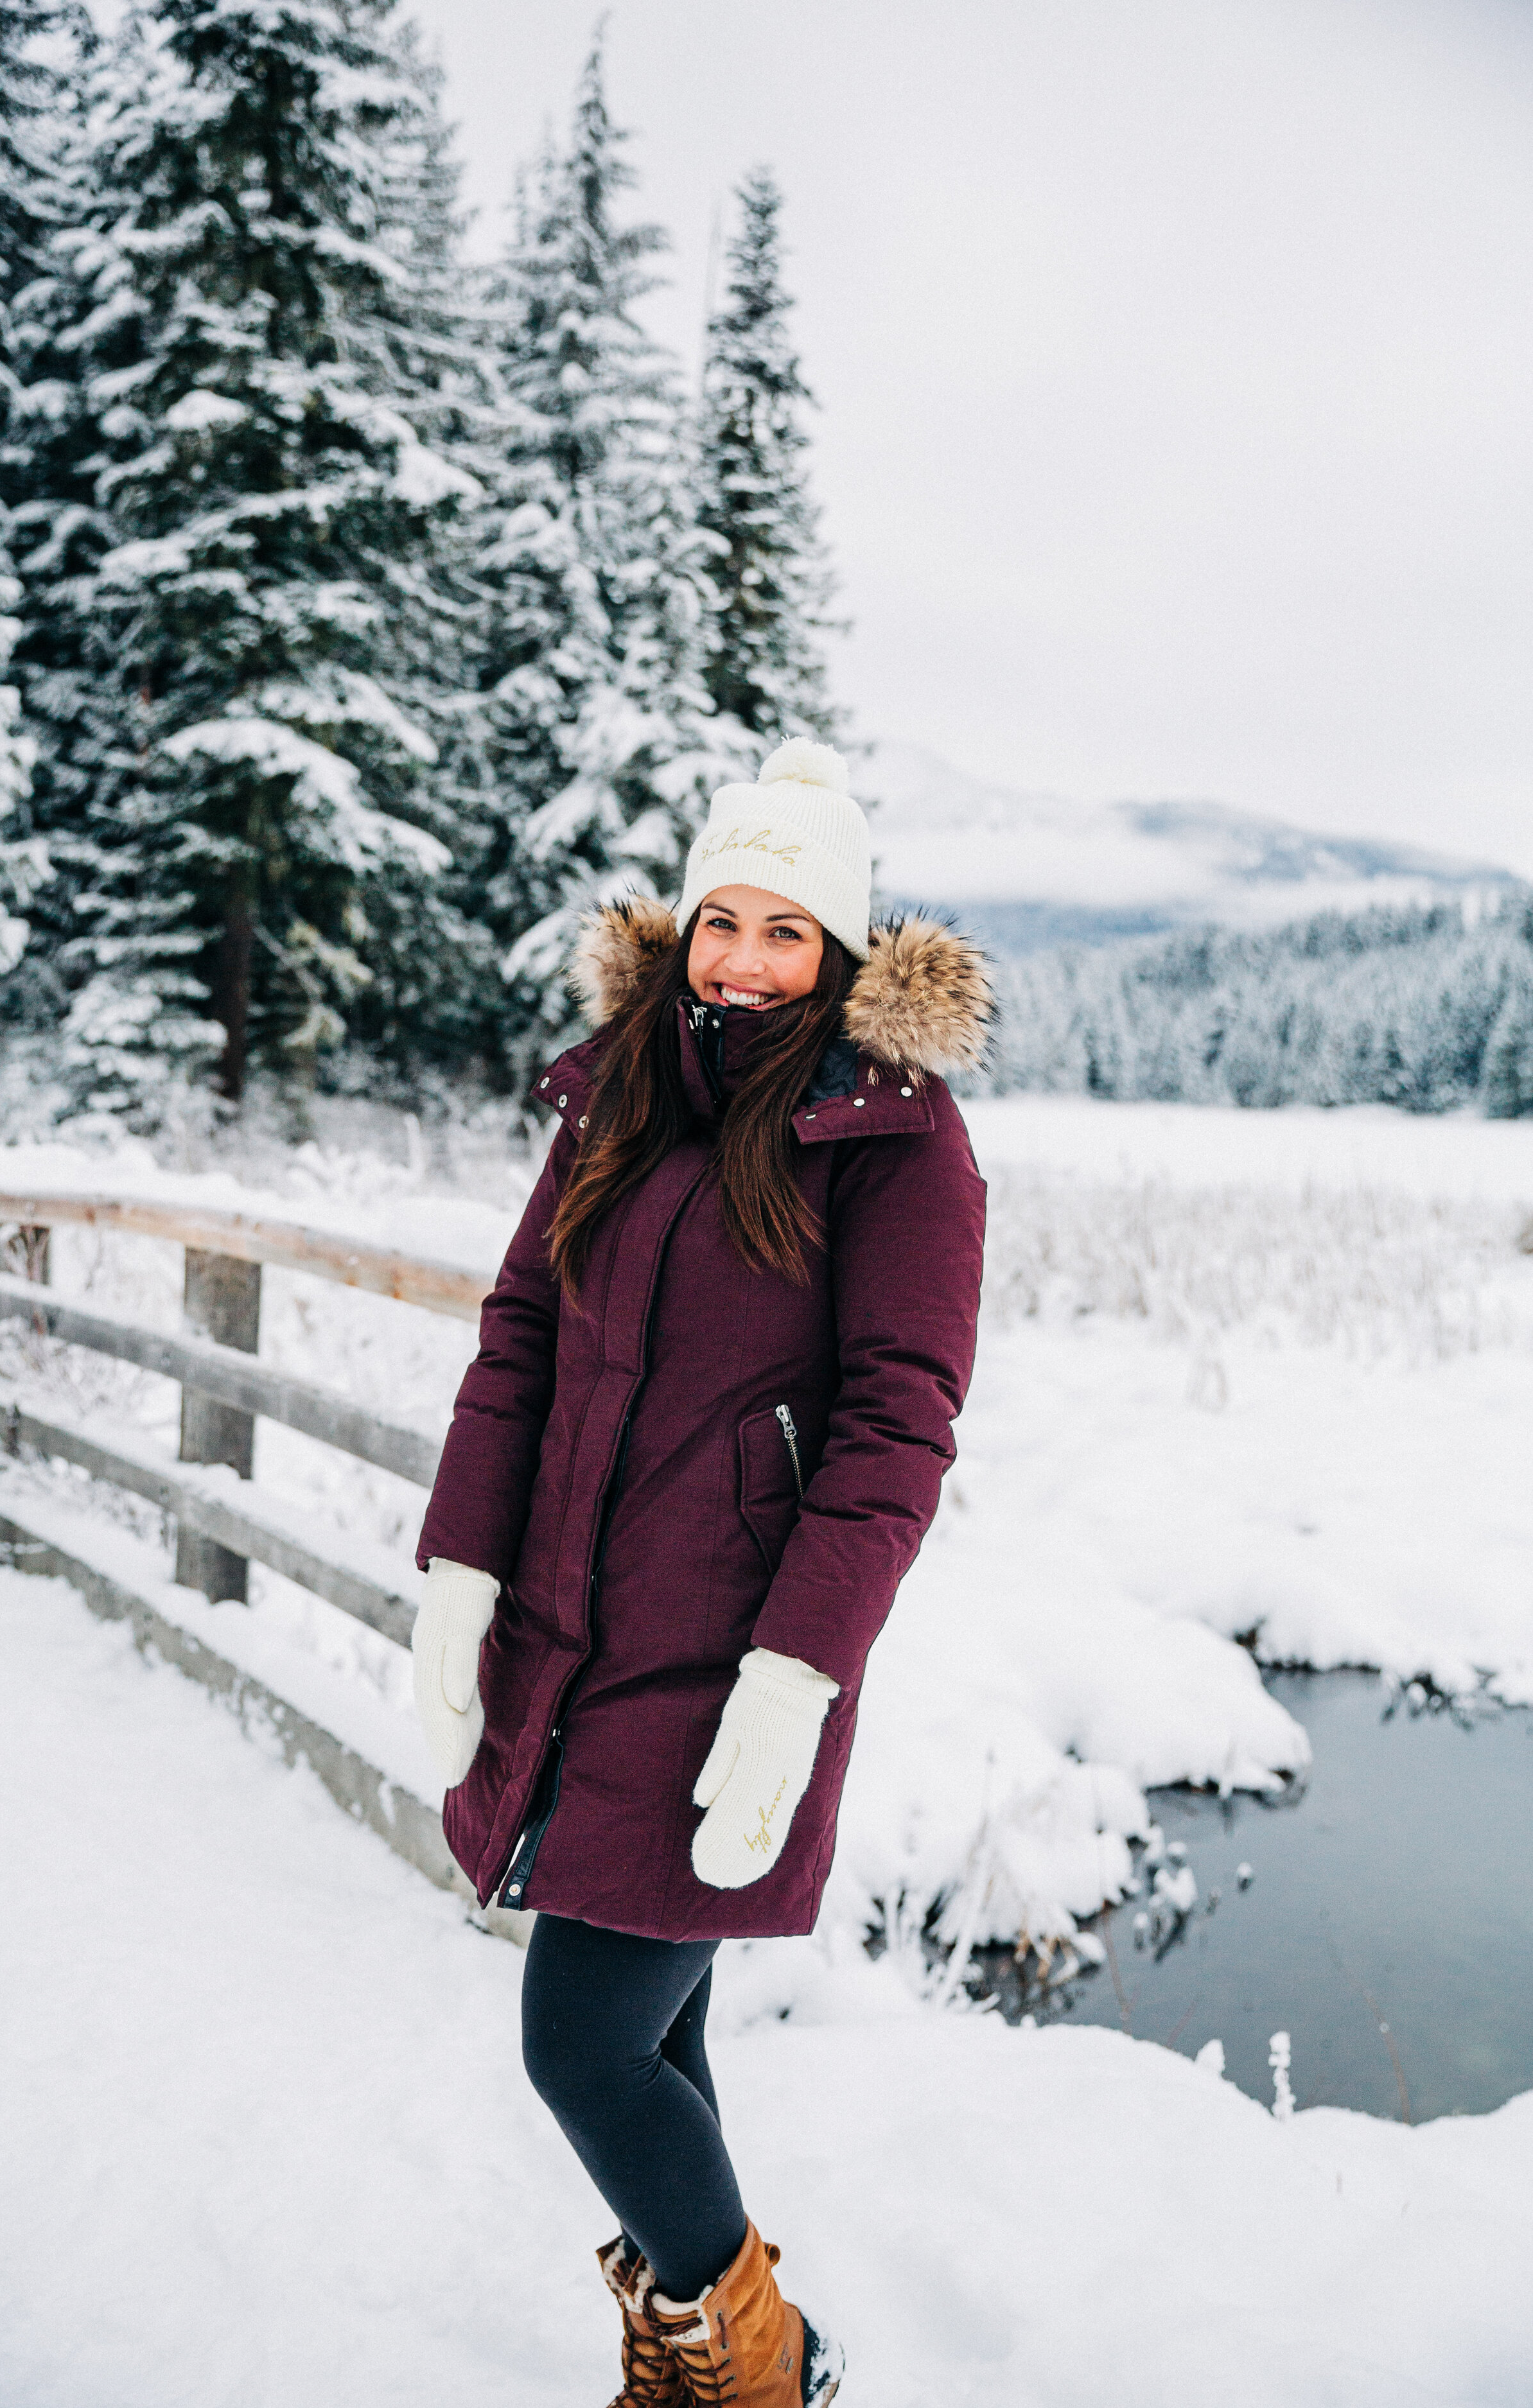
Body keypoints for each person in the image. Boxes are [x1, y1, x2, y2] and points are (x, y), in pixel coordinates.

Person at [412, 738, 989, 2407]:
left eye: (782, 929)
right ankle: (706, 2352)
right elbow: (523, 1337)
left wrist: (794, 1675)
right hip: (569, 1621)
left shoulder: (895, 1141)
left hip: (733, 1649)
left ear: (841, 953)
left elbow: (894, 1428)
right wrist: (459, 1568)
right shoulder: (621, 1087)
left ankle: (756, 2365)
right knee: (651, 2031)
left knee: (579, 2037)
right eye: (718, 917)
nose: (740, 956)